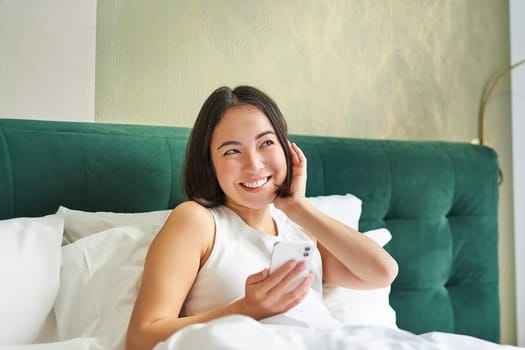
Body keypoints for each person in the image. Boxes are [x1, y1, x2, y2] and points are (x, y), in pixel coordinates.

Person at [126, 86, 399, 350]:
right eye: (232, 151)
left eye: (266, 143)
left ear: (286, 149)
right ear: (209, 163)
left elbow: (382, 272)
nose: (254, 164)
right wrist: (246, 309)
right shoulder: (199, 222)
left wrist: (298, 208)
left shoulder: (299, 230)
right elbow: (141, 338)